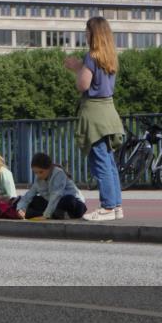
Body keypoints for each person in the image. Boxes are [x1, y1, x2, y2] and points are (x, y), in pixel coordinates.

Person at [65, 16, 126, 222]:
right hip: (109, 111)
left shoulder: (91, 56)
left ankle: (107, 207)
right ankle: (116, 205)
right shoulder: (109, 56)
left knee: (100, 161)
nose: (85, 34)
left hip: (94, 113)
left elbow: (83, 85)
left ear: (94, 34)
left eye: (87, 31)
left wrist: (76, 69)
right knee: (109, 162)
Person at [16, 153, 87, 220]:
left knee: (69, 200)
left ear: (49, 168)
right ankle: (57, 214)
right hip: (53, 205)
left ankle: (52, 214)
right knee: (34, 200)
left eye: (41, 172)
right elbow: (28, 196)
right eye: (35, 172)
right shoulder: (38, 179)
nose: (38, 175)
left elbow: (56, 195)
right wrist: (21, 209)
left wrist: (46, 215)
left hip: (73, 203)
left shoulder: (58, 173)